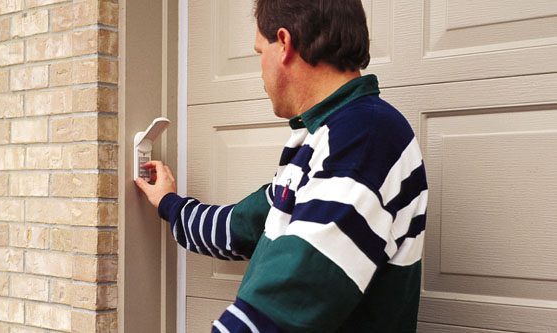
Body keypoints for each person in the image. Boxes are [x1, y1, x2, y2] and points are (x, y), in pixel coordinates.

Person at [135, 0, 428, 331]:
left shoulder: (364, 139)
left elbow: (289, 301)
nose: (260, 68)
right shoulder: (325, 137)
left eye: (260, 51)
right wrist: (169, 203)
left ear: (285, 44)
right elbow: (242, 226)